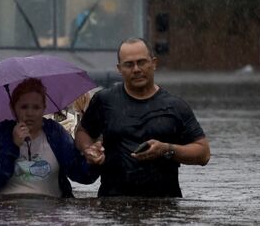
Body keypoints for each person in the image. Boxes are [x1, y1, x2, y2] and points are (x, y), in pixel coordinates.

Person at [75, 38, 210, 197]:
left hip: (163, 208)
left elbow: (203, 153)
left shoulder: (176, 107)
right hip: (113, 205)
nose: (136, 69)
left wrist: (167, 149)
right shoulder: (104, 101)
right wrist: (88, 150)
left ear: (154, 63)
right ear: (119, 68)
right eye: (129, 64)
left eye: (142, 62)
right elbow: (83, 132)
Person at [0, 78, 98, 197]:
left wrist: (93, 161)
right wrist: (13, 145)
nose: (30, 113)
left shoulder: (55, 133)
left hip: (49, 210)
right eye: (24, 107)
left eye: (36, 107)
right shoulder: (0, 133)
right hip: (7, 209)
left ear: (44, 108)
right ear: (13, 108)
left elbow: (81, 175)